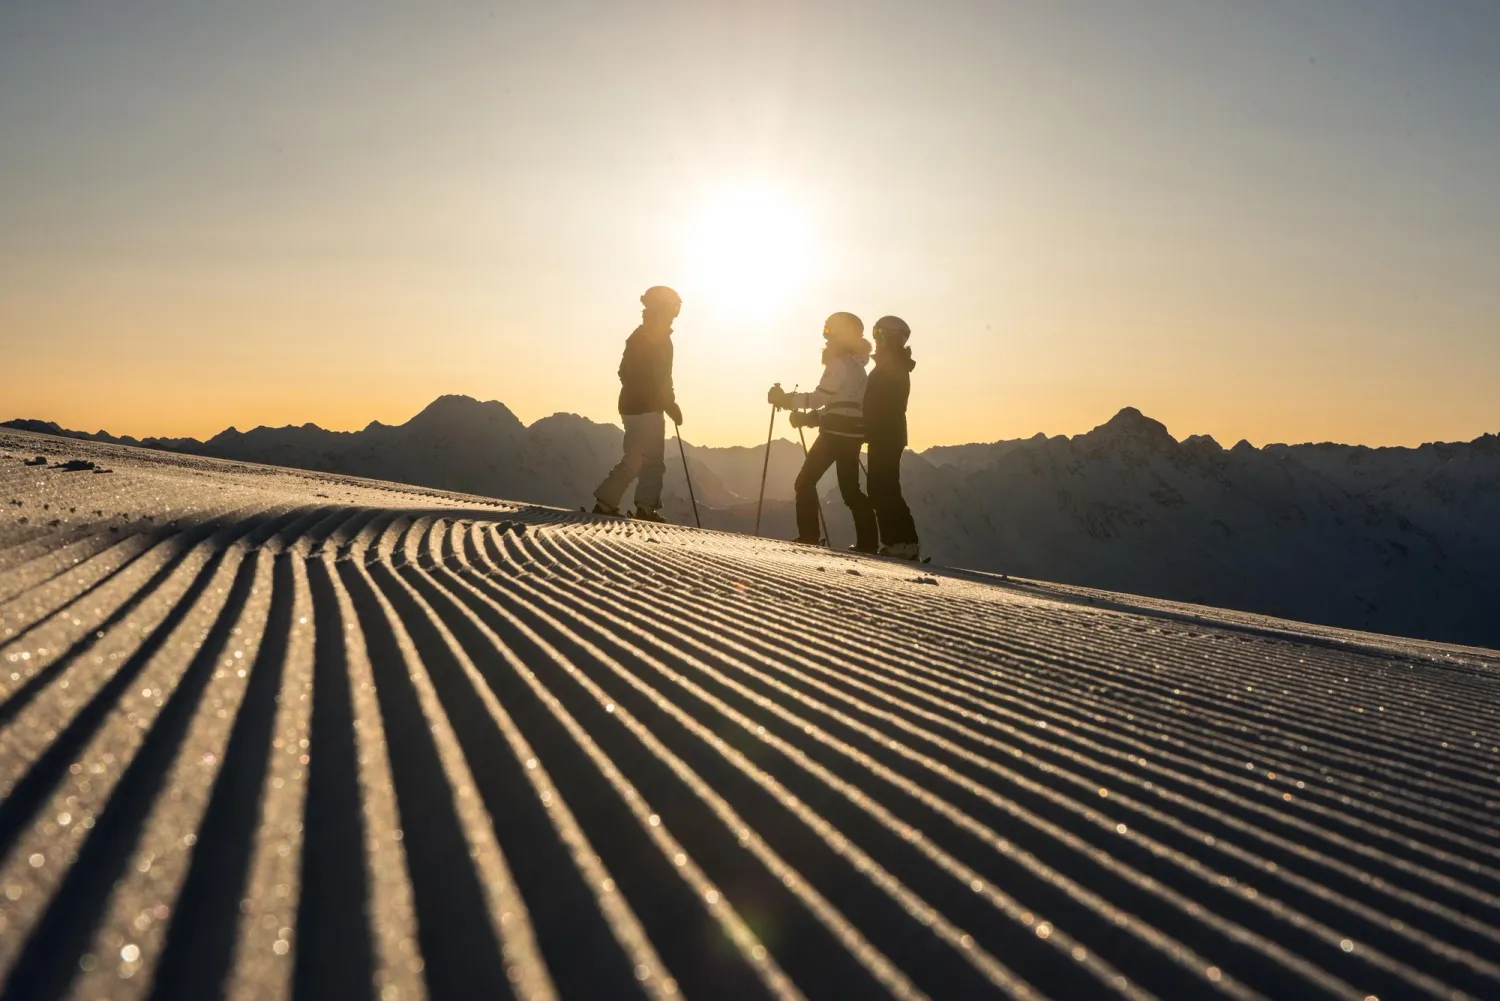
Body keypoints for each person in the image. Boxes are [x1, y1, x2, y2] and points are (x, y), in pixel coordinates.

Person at [768, 312, 878, 552]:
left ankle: (808, 536)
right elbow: (842, 404)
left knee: (804, 483)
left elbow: (819, 398)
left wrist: (785, 400)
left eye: (829, 331)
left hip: (835, 433)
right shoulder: (859, 368)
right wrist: (808, 418)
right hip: (853, 432)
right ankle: (868, 542)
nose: (826, 337)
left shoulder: (838, 363)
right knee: (851, 491)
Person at [593, 285, 684, 522]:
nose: (676, 313)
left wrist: (644, 393)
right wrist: (669, 403)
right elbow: (662, 378)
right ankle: (646, 508)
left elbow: (624, 372)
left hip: (629, 405)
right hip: (648, 408)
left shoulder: (639, 334)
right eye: (674, 308)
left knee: (634, 457)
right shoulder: (660, 337)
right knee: (652, 460)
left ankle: (606, 502)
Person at [864, 315, 921, 559]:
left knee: (883, 488)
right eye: (876, 334)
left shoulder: (892, 366)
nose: (876, 340)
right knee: (883, 487)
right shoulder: (891, 364)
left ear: (894, 338)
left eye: (881, 334)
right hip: (886, 432)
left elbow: (882, 403)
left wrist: (866, 423)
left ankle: (902, 543)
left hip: (885, 433)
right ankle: (898, 542)